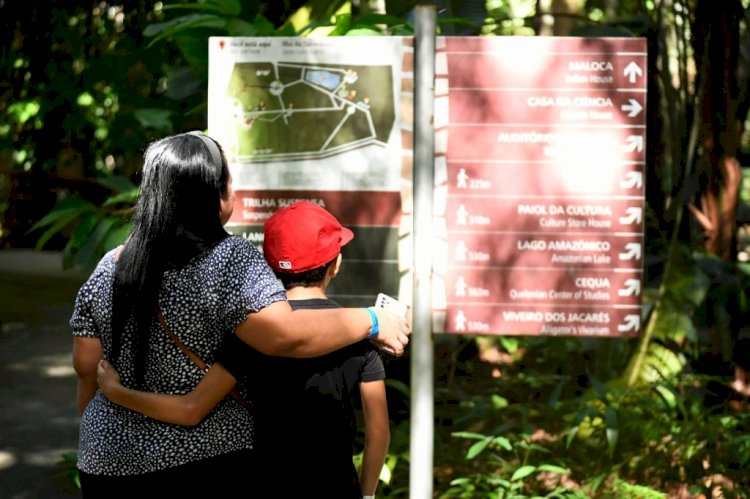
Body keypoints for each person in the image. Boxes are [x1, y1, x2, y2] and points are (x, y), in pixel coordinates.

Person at [71, 131, 409, 497]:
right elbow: (286, 334)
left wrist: (111, 422)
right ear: (214, 196)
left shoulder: (109, 266)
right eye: (229, 181)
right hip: (200, 465)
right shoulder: (230, 260)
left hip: (104, 463)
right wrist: (374, 320)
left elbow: (87, 365)